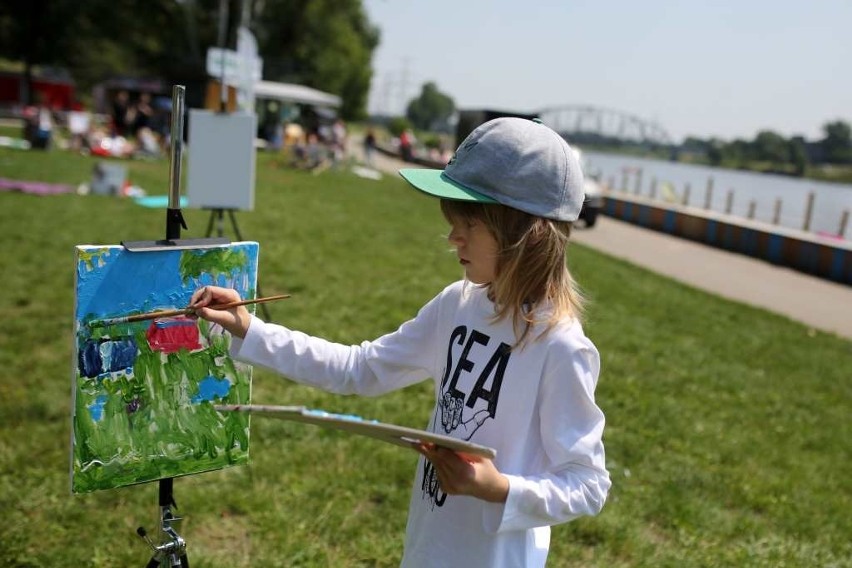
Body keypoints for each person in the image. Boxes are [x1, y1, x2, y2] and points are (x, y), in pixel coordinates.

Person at [189, 117, 610, 567]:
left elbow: (587, 484)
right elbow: (360, 369)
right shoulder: (458, 304)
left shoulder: (561, 347)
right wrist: (248, 328)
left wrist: (498, 488)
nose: (452, 237)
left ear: (524, 234)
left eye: (468, 223)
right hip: (429, 546)